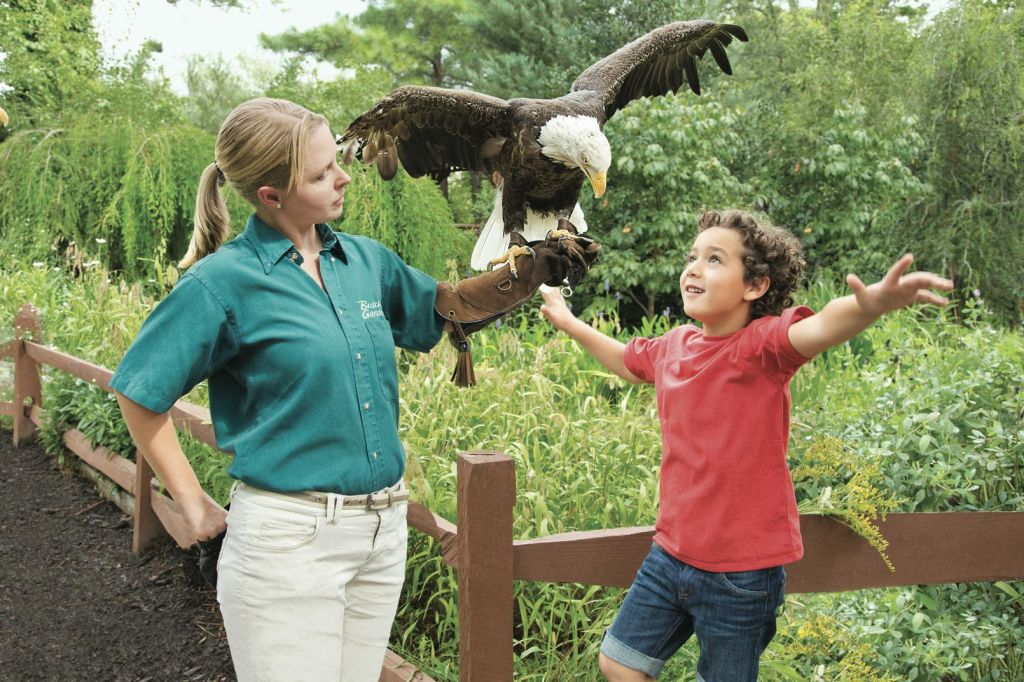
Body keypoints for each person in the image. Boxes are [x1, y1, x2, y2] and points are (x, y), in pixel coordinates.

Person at [110, 97, 595, 682]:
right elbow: (139, 392)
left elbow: (447, 310)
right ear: (270, 196)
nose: (343, 176)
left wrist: (530, 269)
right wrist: (191, 502)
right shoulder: (222, 283)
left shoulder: (364, 262)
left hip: (381, 534)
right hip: (288, 543)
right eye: (320, 174)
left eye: (335, 161)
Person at [540, 209, 953, 681]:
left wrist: (870, 305)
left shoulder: (763, 349)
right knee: (619, 662)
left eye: (714, 260)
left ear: (754, 286)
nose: (693, 268)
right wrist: (568, 321)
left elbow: (819, 327)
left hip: (741, 575)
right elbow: (625, 360)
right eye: (692, 257)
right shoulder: (674, 347)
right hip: (670, 554)